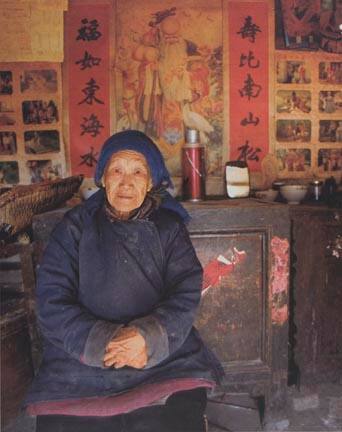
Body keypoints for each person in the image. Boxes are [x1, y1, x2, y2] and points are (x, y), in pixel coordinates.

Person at [25, 130, 223, 432]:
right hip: (82, 359)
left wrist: (147, 337)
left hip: (158, 357)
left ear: (151, 181)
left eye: (138, 171)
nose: (126, 182)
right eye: (117, 170)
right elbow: (51, 300)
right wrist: (103, 341)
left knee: (178, 417)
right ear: (103, 178)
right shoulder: (74, 227)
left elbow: (185, 291)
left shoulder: (168, 228)